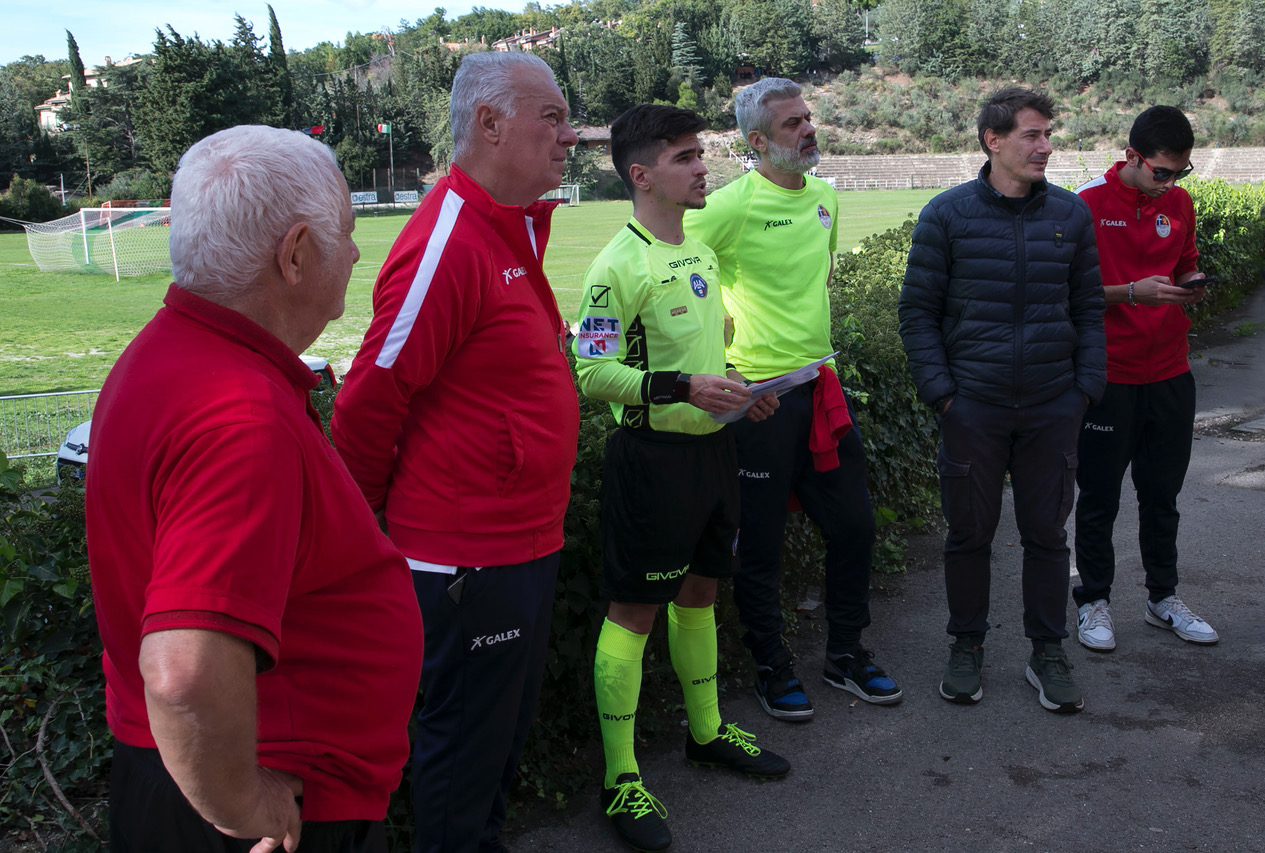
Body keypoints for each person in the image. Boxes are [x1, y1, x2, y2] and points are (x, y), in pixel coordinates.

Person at [86, 125, 422, 852]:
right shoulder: (240, 415)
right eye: (349, 232)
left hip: (182, 777)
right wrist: (242, 806)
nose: (359, 253)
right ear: (295, 254)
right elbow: (184, 673)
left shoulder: (169, 353)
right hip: (260, 804)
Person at [330, 52, 580, 853]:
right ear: (490, 123)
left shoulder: (504, 228)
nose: (568, 136)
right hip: (466, 556)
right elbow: (371, 395)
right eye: (552, 116)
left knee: (498, 745)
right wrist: (366, 522)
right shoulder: (448, 239)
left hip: (524, 539)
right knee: (464, 753)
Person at [575, 104, 789, 853]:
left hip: (713, 455)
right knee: (634, 610)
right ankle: (622, 776)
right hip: (651, 464)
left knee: (702, 592)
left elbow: (703, 362)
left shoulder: (697, 252)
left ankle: (704, 732)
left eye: (702, 154)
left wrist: (737, 386)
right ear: (642, 175)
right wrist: (681, 388)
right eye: (686, 157)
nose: (704, 167)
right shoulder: (616, 265)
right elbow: (591, 372)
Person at [685, 77, 901, 722]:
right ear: (757, 142)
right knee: (761, 545)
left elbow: (815, 284)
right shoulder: (729, 206)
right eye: (790, 124)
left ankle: (845, 654)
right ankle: (771, 667)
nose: (808, 130)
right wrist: (715, 364)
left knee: (855, 527)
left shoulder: (827, 199)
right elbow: (679, 274)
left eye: (808, 118)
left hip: (819, 387)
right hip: (757, 402)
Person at [898, 87, 1106, 714]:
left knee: (1047, 536)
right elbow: (917, 314)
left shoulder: (1070, 216)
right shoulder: (947, 214)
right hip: (973, 409)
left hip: (1052, 408)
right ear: (993, 140)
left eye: (1048, 135)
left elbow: (1090, 310)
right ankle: (967, 646)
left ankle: (1048, 651)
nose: (1046, 146)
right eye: (1032, 135)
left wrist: (1082, 391)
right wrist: (943, 395)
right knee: (969, 535)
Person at [1072, 106, 1217, 651]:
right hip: (1109, 376)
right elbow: (1067, 294)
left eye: (1181, 173)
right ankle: (1093, 602)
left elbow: (1185, 262)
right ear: (1131, 157)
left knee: (1163, 495)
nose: (1171, 184)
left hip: (1171, 371)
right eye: (1162, 172)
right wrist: (1132, 293)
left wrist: (1191, 281)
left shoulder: (1178, 202)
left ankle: (1163, 599)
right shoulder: (1086, 204)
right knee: (1100, 496)